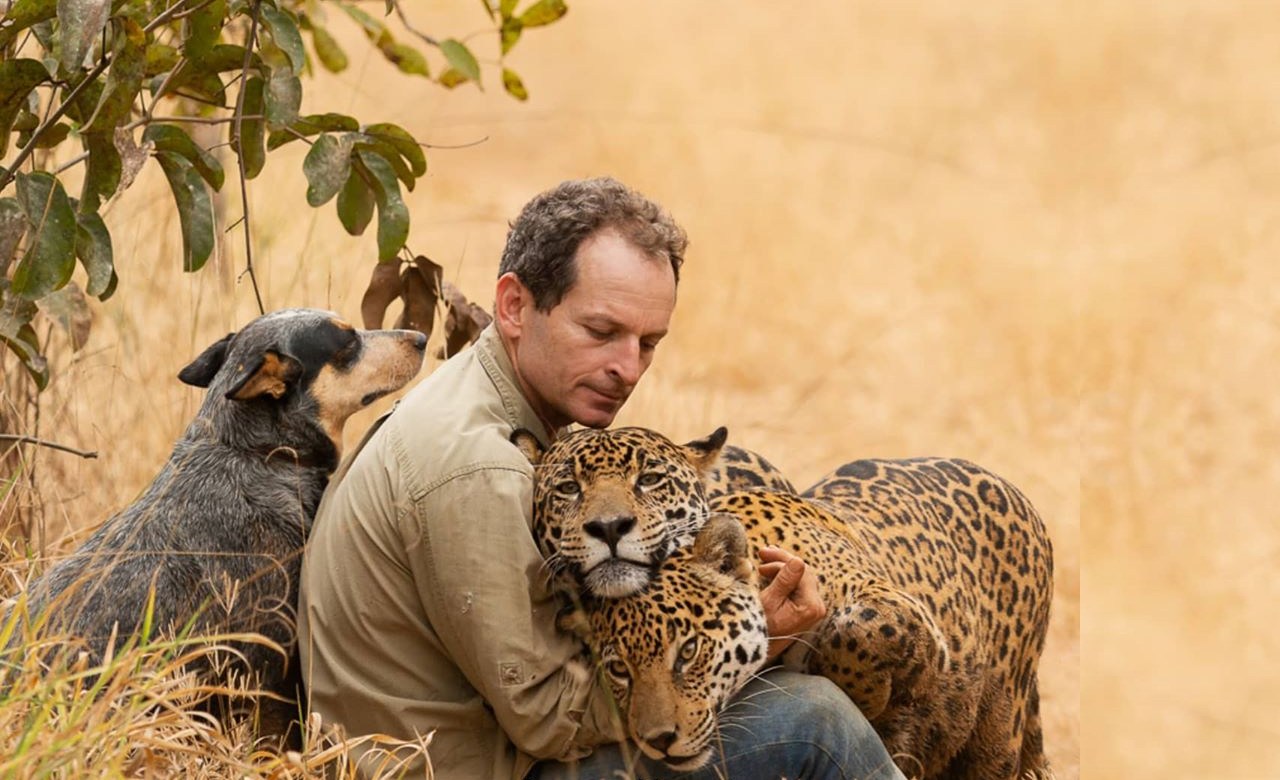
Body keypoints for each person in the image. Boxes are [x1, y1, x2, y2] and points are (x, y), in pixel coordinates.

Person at [298, 178, 904, 780]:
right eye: (601, 331)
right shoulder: (477, 467)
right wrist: (750, 638)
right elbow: (546, 716)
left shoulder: (481, 408)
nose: (627, 368)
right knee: (816, 723)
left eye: (649, 342)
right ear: (514, 306)